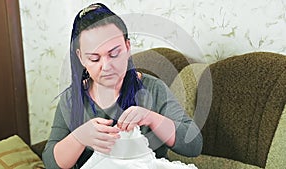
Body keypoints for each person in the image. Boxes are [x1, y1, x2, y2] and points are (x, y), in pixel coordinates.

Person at [42, 3, 202, 169]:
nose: (106, 66)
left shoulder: (152, 89)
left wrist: (151, 118)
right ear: (81, 58)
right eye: (94, 59)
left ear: (127, 47)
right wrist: (79, 138)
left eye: (114, 54)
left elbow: (194, 145)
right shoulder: (71, 99)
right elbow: (50, 163)